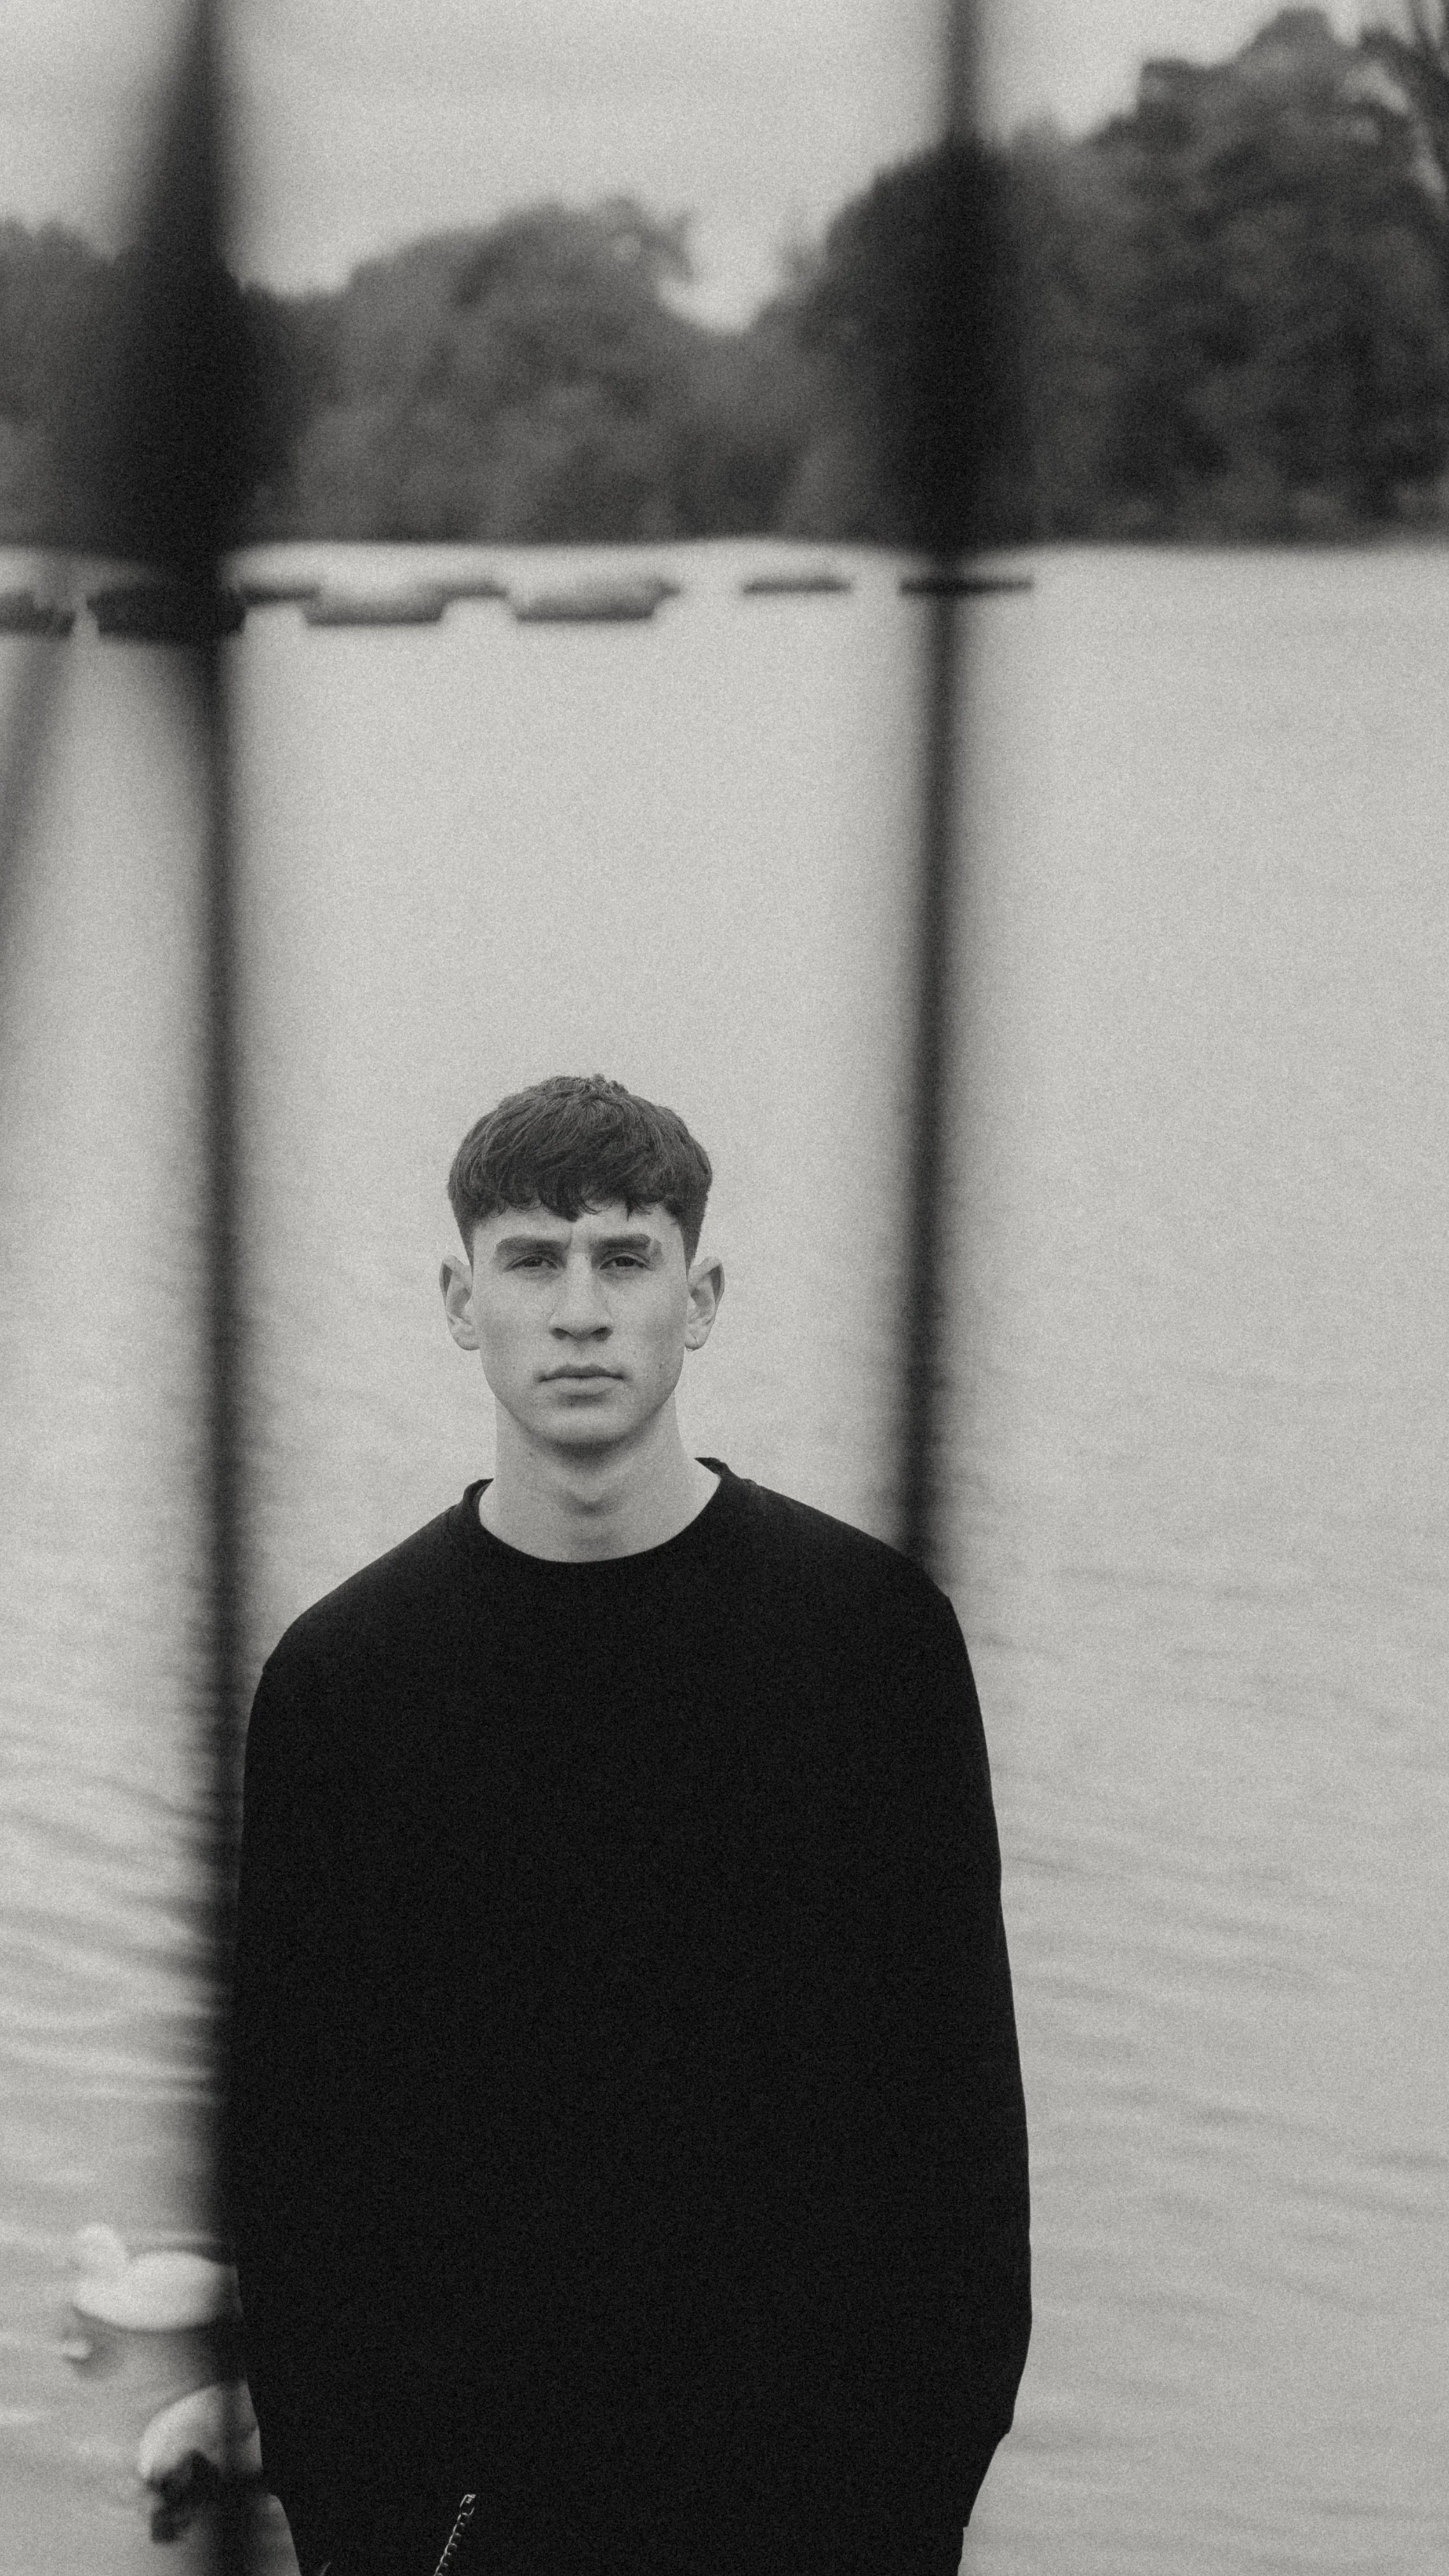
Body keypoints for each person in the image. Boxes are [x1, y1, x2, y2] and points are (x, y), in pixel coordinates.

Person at [226, 1073, 1030, 2576]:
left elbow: (954, 2121)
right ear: (461, 1301)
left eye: (625, 1258)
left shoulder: (866, 1638)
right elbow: (296, 2160)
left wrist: (910, 2492)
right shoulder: (350, 1681)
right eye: (532, 1260)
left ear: (700, 1293)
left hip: (812, 2504)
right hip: (471, 2515)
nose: (580, 1309)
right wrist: (363, 2521)